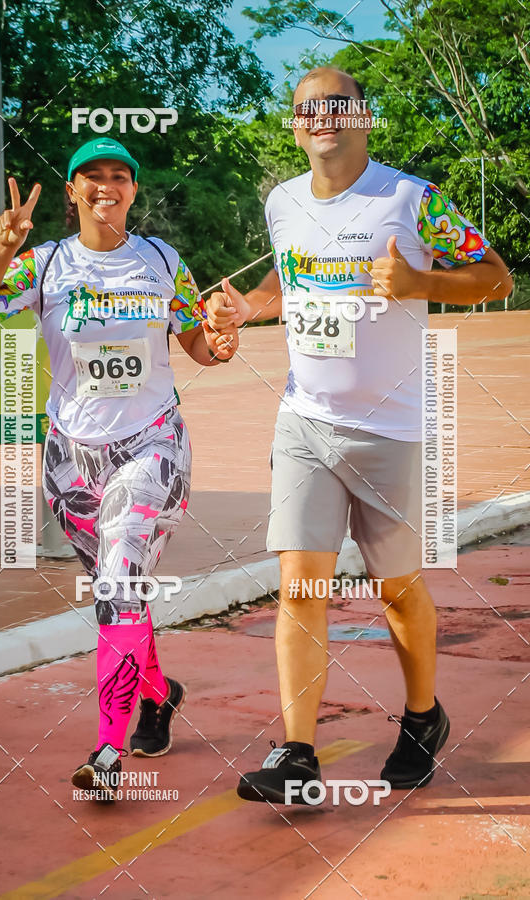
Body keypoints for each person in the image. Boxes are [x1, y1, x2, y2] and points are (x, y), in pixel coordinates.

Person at [206, 67, 512, 804]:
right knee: (300, 584)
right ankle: (298, 753)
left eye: (338, 105)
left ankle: (421, 718)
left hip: (393, 432)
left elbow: (495, 277)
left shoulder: (412, 199)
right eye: (308, 107)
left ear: (365, 118)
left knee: (396, 591)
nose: (323, 117)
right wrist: (247, 309)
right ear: (295, 123)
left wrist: (421, 284)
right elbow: (287, 281)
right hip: (306, 422)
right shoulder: (282, 203)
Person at [0, 137, 238, 801]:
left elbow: (198, 341)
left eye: (120, 176)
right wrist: (2, 248)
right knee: (121, 595)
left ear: (134, 190)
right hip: (73, 461)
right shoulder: (46, 266)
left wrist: (219, 342)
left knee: (115, 583)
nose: (108, 185)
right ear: (74, 190)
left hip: (151, 444)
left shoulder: (163, 261)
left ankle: (108, 752)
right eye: (93, 176)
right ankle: (160, 695)